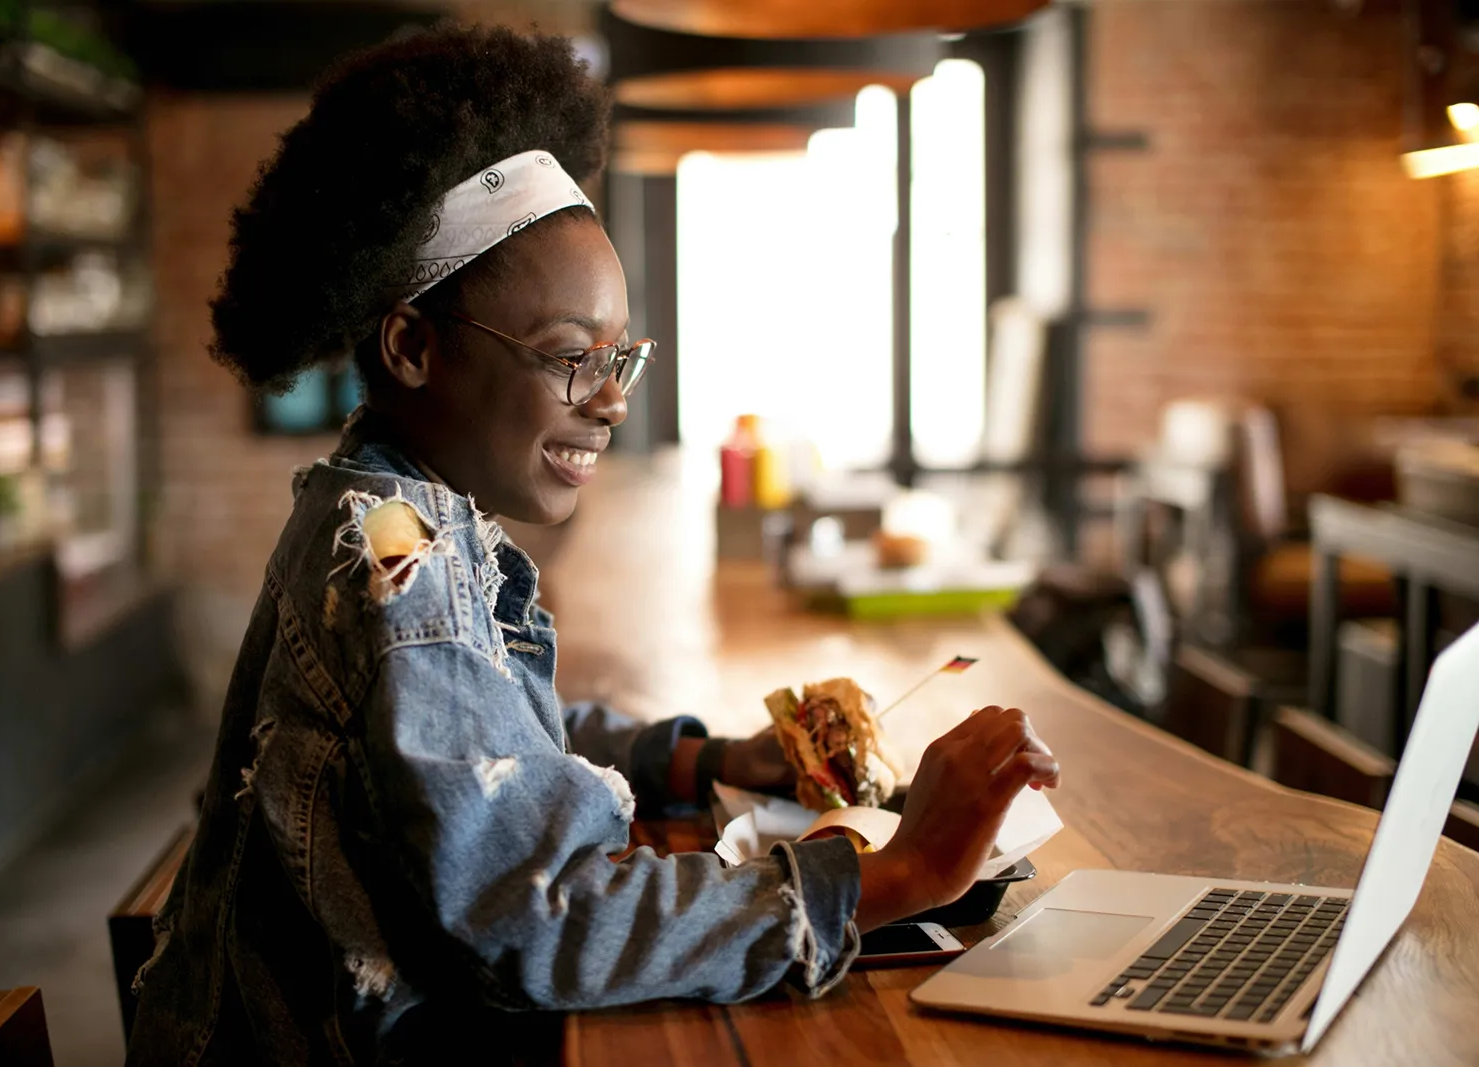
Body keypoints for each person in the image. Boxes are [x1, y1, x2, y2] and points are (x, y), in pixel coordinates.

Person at [126, 24, 1059, 1066]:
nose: (610, 399)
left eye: (620, 356)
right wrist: (894, 873)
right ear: (411, 346)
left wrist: (703, 756)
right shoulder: (402, 572)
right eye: (570, 356)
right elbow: (541, 920)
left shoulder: (389, 508)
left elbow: (480, 737)